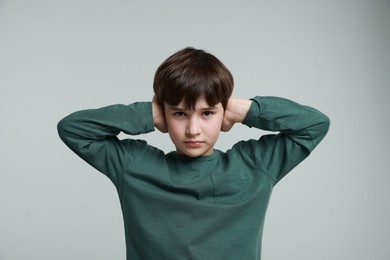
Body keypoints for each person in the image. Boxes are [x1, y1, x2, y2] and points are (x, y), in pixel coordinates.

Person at [57, 47, 330, 260]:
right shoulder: (134, 166)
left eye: (207, 113)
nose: (192, 129)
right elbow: (73, 128)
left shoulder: (253, 166)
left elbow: (315, 124)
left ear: (223, 112)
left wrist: (242, 109)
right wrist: (148, 114)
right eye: (179, 113)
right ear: (163, 115)